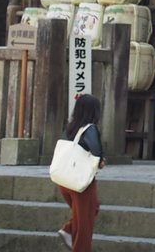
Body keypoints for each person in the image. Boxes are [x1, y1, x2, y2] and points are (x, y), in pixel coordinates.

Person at [58, 92, 104, 250]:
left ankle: (69, 229)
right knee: (85, 222)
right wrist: (101, 161)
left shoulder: (70, 128)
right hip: (81, 181)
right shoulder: (90, 128)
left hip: (64, 179)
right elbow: (96, 150)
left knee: (90, 210)